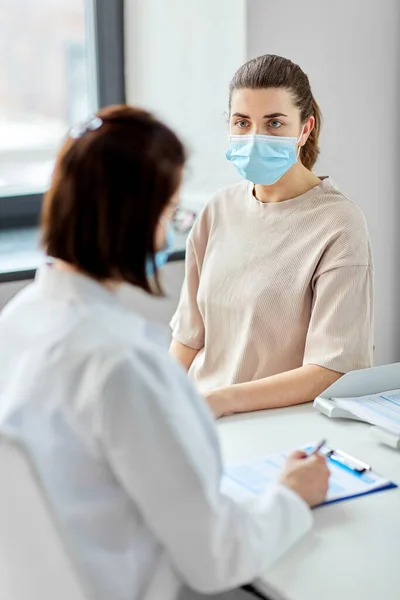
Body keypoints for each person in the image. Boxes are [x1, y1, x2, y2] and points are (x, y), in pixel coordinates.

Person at [0, 105, 329, 600]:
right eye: (170, 211)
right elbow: (218, 557)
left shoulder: (20, 320)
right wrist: (290, 496)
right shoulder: (122, 366)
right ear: (139, 220)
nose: (171, 228)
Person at [170, 54, 374, 419]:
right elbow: (189, 337)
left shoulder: (339, 224)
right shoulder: (218, 210)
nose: (255, 137)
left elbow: (331, 369)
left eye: (275, 123)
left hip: (273, 425)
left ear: (305, 128)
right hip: (199, 418)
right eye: (242, 122)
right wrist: (161, 398)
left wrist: (220, 401)